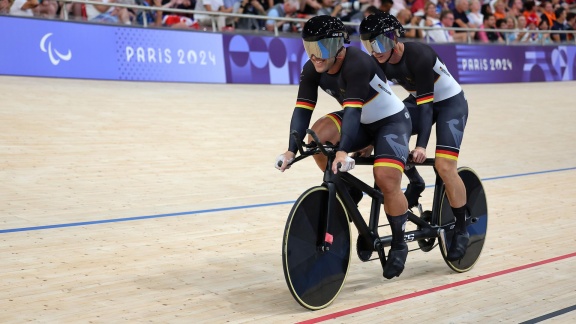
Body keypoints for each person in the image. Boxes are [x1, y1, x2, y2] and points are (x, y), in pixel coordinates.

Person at [275, 15, 413, 279]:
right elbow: (302, 110)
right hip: (360, 121)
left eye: (322, 48)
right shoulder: (311, 69)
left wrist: (342, 151)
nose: (315, 56)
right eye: (310, 48)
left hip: (390, 122)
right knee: (315, 136)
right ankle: (350, 190)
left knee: (385, 178)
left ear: (339, 46)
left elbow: (351, 113)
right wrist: (291, 149)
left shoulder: (358, 62)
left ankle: (399, 241)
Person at [359, 12, 471, 261]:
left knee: (444, 166)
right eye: (368, 44)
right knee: (390, 133)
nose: (373, 51)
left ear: (392, 38)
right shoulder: (378, 60)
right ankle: (416, 181)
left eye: (376, 43)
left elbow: (427, 109)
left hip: (450, 105)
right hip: (420, 100)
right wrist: (368, 142)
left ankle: (462, 231)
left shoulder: (419, 54)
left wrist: (421, 146)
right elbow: (383, 107)